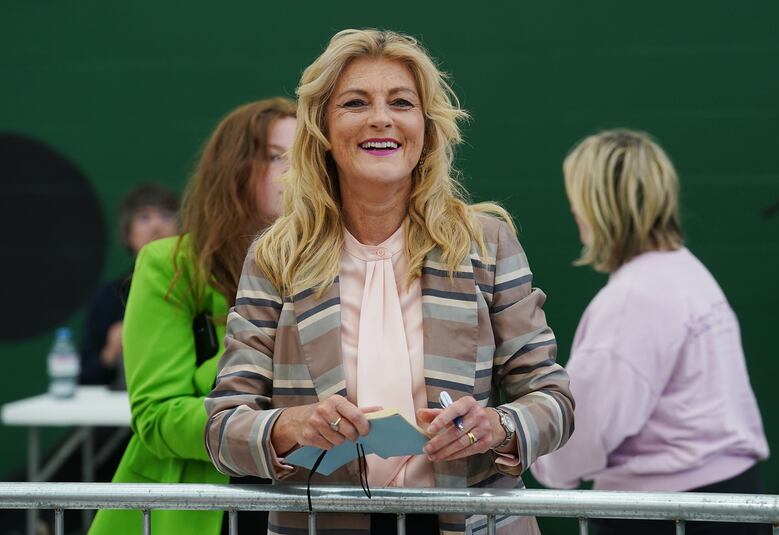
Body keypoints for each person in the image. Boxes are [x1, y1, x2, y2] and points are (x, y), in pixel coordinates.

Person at [205, 29, 574, 535]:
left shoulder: (486, 245)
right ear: (322, 130)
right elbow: (223, 427)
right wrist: (290, 426)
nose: (382, 117)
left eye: (401, 102)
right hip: (321, 524)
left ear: (425, 126)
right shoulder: (276, 258)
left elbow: (552, 398)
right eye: (356, 103)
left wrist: (498, 427)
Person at [531, 129, 769, 535]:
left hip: (667, 514)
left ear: (598, 204)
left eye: (578, 197)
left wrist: (544, 461)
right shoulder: (687, 270)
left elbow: (585, 429)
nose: (573, 210)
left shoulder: (632, 300)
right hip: (730, 500)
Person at [87, 97, 297, 535]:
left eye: (308, 156)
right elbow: (156, 416)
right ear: (235, 168)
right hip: (198, 506)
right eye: (277, 156)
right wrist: (269, 429)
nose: (295, 172)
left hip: (304, 501)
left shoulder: (328, 261)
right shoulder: (170, 263)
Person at [80, 183, 179, 387]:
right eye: (144, 217)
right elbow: (85, 376)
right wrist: (110, 351)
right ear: (127, 234)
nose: (156, 226)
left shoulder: (199, 288)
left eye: (166, 215)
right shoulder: (107, 297)